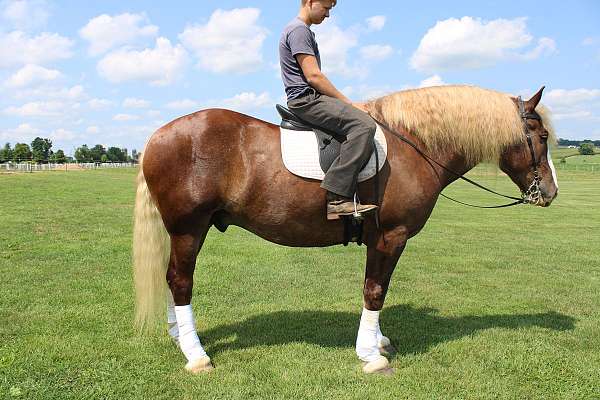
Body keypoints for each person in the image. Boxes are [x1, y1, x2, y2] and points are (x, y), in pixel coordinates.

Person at [279, 0, 378, 220]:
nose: (328, 15)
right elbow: (314, 76)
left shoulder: (303, 31)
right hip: (306, 100)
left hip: (310, 98)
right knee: (364, 125)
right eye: (325, 8)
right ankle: (337, 197)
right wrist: (349, 104)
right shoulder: (298, 31)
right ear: (310, 2)